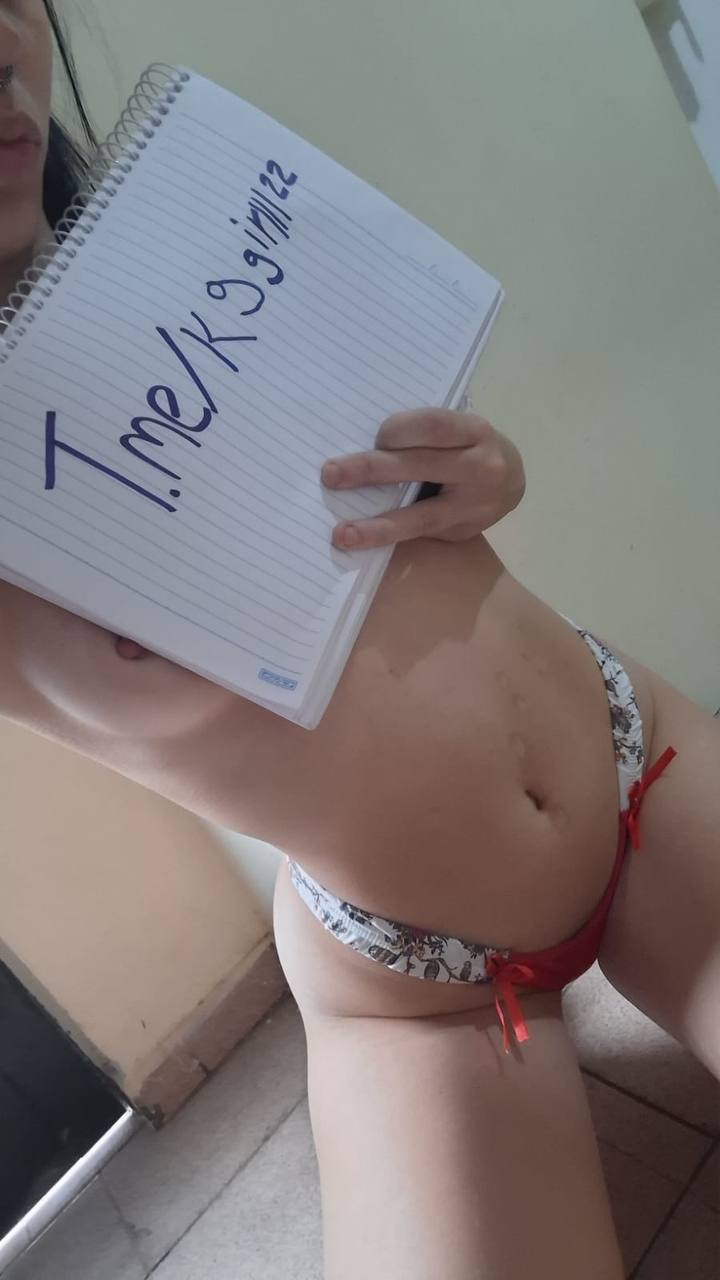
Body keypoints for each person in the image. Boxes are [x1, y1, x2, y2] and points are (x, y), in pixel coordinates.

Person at [1, 5, 718, 1278]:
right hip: (418, 977)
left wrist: (486, 468)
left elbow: (427, 489)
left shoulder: (201, 227)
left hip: (631, 760)